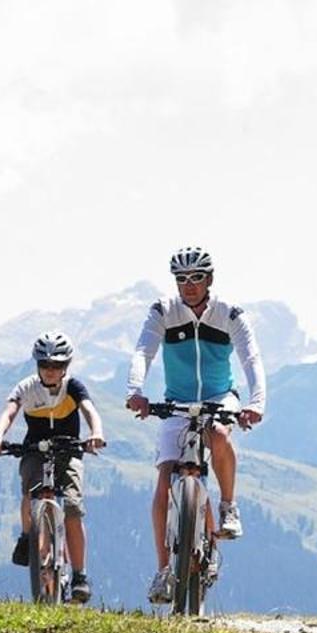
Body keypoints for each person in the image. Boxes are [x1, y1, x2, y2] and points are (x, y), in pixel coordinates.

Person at [125, 246, 265, 604]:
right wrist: (136, 391)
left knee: (218, 433)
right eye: (181, 279)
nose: (188, 285)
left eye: (196, 278)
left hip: (220, 397)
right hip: (176, 401)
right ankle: (162, 572)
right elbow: (144, 351)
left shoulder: (229, 314)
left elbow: (251, 357)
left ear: (210, 279)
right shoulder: (164, 312)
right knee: (163, 482)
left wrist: (256, 402)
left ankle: (228, 506)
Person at [0, 333, 107, 604]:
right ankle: (27, 534)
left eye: (57, 365)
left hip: (69, 450)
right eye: (45, 365)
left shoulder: (73, 387)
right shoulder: (27, 387)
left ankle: (79, 576)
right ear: (37, 366)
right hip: (35, 450)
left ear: (66, 366)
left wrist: (96, 431)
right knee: (30, 494)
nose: (51, 371)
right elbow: (9, 412)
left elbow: (89, 410)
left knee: (73, 509)